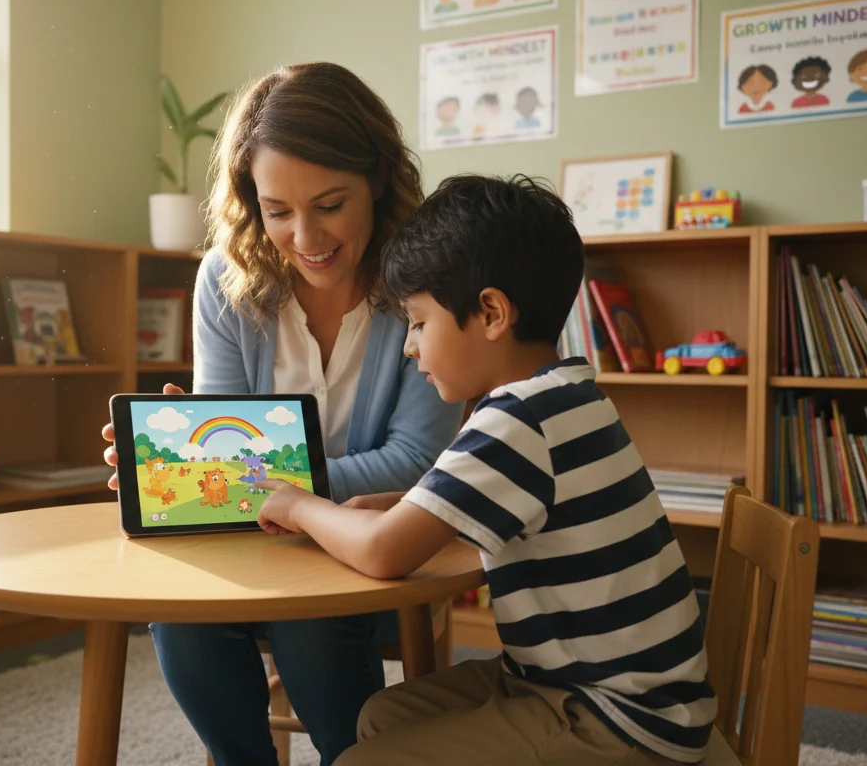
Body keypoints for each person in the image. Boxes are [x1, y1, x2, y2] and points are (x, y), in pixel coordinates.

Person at [255, 174, 716, 765]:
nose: (409, 346)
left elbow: (382, 553)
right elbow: (476, 505)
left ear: (492, 312)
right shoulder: (564, 394)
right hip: (597, 685)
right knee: (379, 715)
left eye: (419, 323)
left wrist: (298, 504)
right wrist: (405, 506)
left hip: (615, 717)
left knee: (360, 760)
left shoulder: (514, 419)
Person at [100, 61, 463, 766]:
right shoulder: (225, 280)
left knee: (312, 625)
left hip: (380, 547)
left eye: (330, 204)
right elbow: (222, 452)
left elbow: (417, 462)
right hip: (255, 546)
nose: (304, 237)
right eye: (278, 211)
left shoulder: (427, 284)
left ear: (379, 180)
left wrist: (263, 486)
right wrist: (181, 458)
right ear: (251, 202)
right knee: (180, 619)